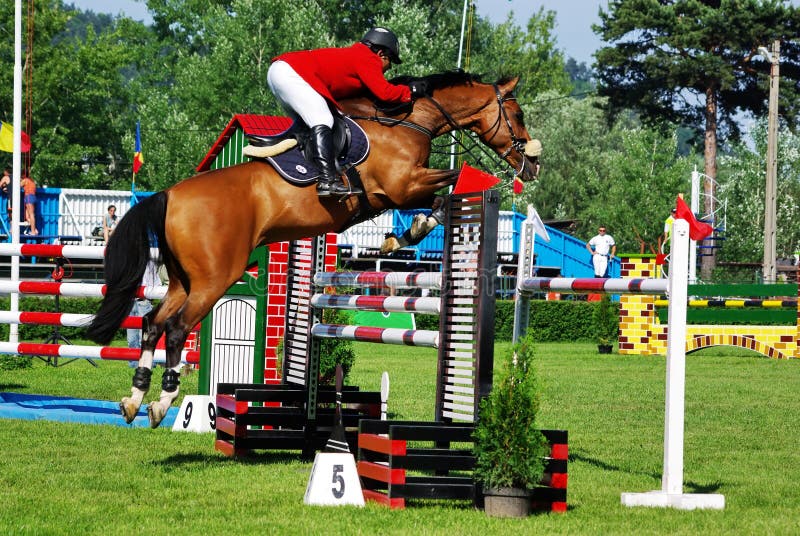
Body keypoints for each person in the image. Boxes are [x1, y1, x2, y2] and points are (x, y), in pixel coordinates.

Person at [266, 27, 427, 197]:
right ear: (381, 54)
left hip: (280, 71)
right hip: (290, 73)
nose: (388, 68)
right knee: (323, 119)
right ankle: (327, 181)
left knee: (309, 127)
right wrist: (411, 91)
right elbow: (385, 92)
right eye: (390, 61)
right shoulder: (367, 57)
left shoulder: (356, 55)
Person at [128, 260, 159, 367]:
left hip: (144, 301)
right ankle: (134, 366)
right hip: (130, 300)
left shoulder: (149, 253)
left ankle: (147, 364)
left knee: (145, 337)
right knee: (131, 340)